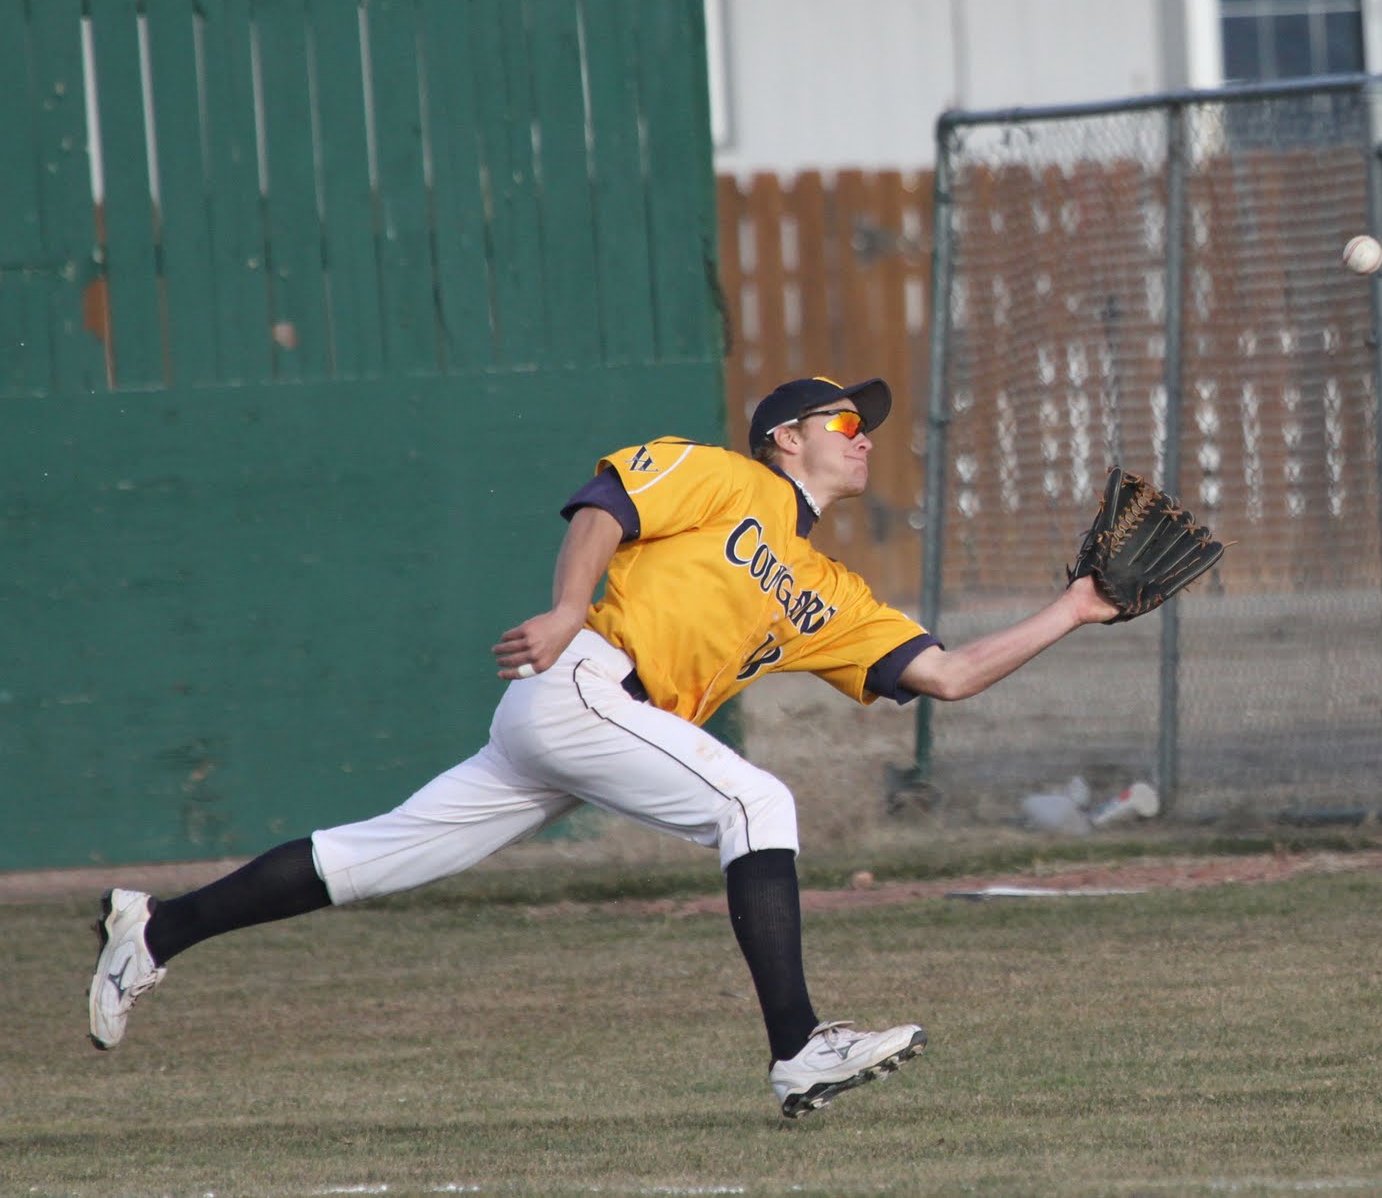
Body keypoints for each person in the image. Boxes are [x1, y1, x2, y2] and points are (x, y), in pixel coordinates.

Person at [88, 375, 1119, 1117]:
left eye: (865, 427)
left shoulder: (829, 591)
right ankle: (799, 1044)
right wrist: (568, 607)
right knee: (756, 802)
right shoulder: (725, 478)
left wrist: (1074, 609)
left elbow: (948, 672)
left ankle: (156, 929)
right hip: (582, 677)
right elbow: (604, 506)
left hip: (588, 722)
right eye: (844, 420)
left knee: (370, 858)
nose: (863, 438)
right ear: (784, 438)